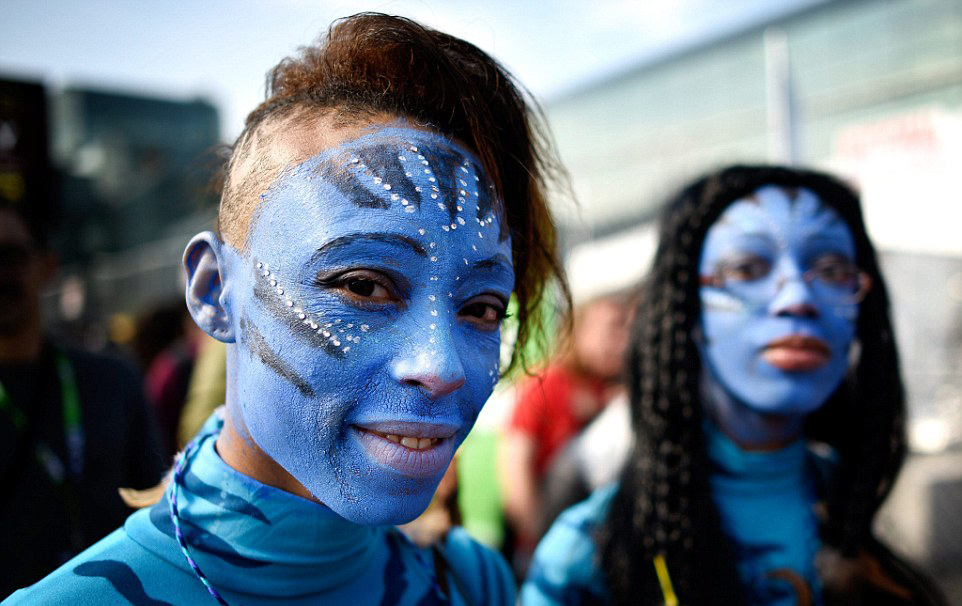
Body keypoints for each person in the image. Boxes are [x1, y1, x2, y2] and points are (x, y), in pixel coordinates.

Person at [7, 12, 566, 605]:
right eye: (364, 286)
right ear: (214, 290)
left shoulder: (471, 583)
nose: (440, 365)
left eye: (481, 308)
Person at [522, 165, 947, 606]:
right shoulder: (590, 549)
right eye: (747, 268)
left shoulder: (863, 510)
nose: (797, 297)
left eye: (832, 269)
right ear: (687, 314)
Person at [0, 203, 167, 596]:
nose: (2, 274)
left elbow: (154, 506)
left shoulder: (112, 379)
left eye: (12, 256)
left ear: (47, 266)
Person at [499, 292, 631, 573]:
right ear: (578, 328)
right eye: (612, 328)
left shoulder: (609, 392)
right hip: (548, 544)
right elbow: (514, 466)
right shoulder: (545, 384)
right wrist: (538, 537)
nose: (621, 342)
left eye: (625, 330)